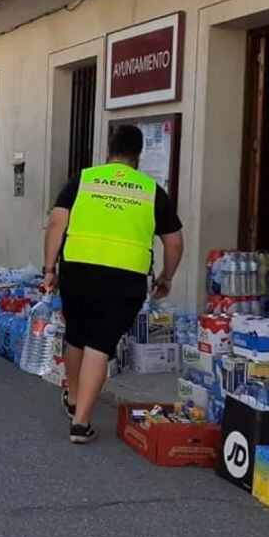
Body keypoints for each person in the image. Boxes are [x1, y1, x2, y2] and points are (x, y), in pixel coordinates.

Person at [43, 125, 184, 444]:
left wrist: (49, 268)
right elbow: (174, 242)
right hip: (125, 278)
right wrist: (166, 276)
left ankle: (75, 398)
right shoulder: (151, 190)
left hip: (77, 271)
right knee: (100, 344)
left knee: (77, 336)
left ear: (109, 149)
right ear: (139, 155)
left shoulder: (84, 180)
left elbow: (56, 222)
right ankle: (80, 423)